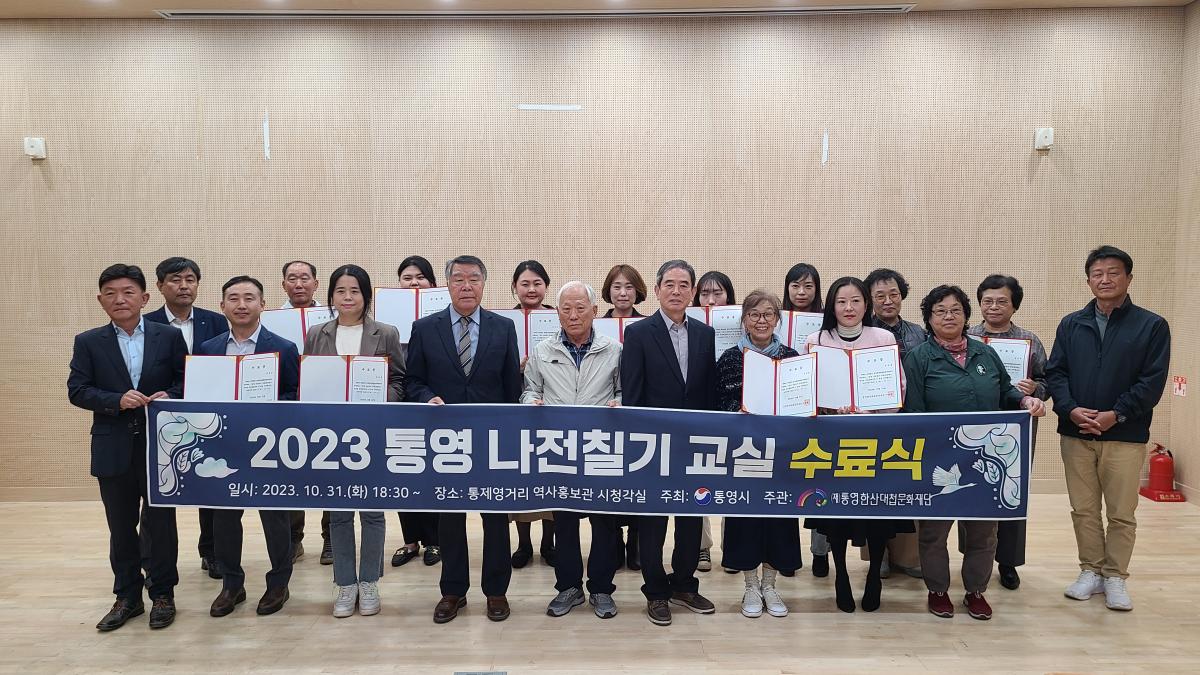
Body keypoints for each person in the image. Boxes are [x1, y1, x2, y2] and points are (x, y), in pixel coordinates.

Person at [904, 285, 1046, 620]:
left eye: (956, 310)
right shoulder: (919, 358)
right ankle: (938, 590)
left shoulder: (985, 353)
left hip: (986, 457)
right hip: (940, 458)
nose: (948, 316)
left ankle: (975, 591)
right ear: (928, 319)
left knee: (984, 531)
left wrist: (1026, 400)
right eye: (940, 311)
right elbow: (914, 412)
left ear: (967, 315)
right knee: (934, 532)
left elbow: (1006, 391)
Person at [1046, 246, 1170, 612]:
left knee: (1121, 513)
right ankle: (1090, 570)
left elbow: (1152, 382)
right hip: (1076, 434)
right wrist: (1070, 410)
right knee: (1083, 509)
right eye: (1097, 274)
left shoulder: (1151, 325)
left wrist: (1116, 414)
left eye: (1113, 272)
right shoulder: (1071, 324)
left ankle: (1115, 576)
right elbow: (1056, 372)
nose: (1105, 279)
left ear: (1129, 278)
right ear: (1088, 281)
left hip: (1125, 436)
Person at [68, 264, 188, 631]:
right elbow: (78, 390)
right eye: (111, 294)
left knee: (161, 524)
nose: (119, 299)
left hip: (160, 446)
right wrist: (115, 400)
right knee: (120, 526)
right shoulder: (88, 341)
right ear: (101, 300)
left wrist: (171, 395)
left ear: (144, 297)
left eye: (128, 292)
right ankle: (127, 597)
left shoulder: (169, 336)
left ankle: (163, 594)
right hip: (112, 446)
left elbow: (186, 381)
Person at [407, 255, 522, 624]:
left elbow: (512, 386)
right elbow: (413, 381)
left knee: (495, 517)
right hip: (446, 441)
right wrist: (427, 398)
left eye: (474, 278)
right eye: (458, 279)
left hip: (492, 439)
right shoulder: (425, 328)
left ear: (484, 284)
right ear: (448, 285)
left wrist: (511, 434)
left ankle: (496, 591)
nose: (466, 285)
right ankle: (453, 591)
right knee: (450, 518)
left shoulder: (503, 328)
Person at [802, 277, 911, 613]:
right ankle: (841, 575)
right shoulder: (816, 340)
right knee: (835, 513)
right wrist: (828, 408)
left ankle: (875, 574)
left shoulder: (883, 338)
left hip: (873, 440)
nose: (848, 308)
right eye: (841, 302)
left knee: (874, 511)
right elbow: (805, 391)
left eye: (855, 301)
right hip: (832, 441)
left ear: (866, 304)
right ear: (831, 306)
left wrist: (872, 410)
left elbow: (898, 387)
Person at [304, 265, 406, 618]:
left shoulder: (386, 333)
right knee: (339, 513)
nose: (348, 297)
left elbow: (399, 381)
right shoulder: (317, 333)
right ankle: (345, 583)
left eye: (355, 291)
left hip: (372, 434)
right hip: (330, 437)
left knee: (373, 512)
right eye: (340, 291)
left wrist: (379, 397)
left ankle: (370, 582)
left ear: (366, 296)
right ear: (331, 295)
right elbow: (309, 381)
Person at [195, 276, 300, 618]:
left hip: (268, 446)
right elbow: (199, 395)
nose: (241, 305)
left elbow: (294, 394)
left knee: (275, 517)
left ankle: (279, 582)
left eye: (249, 298)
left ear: (262, 304)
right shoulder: (208, 349)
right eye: (234, 298)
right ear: (222, 305)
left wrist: (267, 404)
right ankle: (231, 584)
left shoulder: (283, 348)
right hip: (223, 446)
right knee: (224, 518)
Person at [621, 259, 718, 626]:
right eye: (670, 284)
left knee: (692, 517)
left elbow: (707, 392)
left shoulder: (705, 334)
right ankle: (656, 591)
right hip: (653, 445)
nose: (677, 291)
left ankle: (684, 585)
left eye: (684, 285)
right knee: (653, 522)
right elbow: (633, 394)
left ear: (692, 292)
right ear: (658, 289)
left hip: (695, 444)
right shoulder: (639, 333)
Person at [522, 281, 623, 619]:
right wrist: (530, 401)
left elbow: (623, 390)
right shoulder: (542, 350)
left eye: (581, 308)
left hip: (601, 448)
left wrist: (619, 402)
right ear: (557, 312)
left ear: (595, 311)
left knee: (604, 523)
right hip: (559, 449)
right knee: (563, 522)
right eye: (566, 308)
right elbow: (530, 388)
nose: (573, 315)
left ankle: (601, 589)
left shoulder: (614, 350)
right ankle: (568, 588)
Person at [716, 289, 802, 618]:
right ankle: (750, 585)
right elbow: (718, 404)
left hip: (782, 454)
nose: (761, 320)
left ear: (777, 319)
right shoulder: (730, 358)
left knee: (778, 519)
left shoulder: (792, 357)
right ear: (744, 320)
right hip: (745, 453)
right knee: (746, 520)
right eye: (754, 314)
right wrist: (738, 412)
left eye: (768, 314)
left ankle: (770, 585)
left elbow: (802, 402)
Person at [144, 257, 228, 579]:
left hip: (207, 416)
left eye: (190, 279)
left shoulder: (216, 321)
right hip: (161, 417)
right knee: (158, 493)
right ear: (160, 285)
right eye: (175, 279)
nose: (183, 286)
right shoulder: (146, 324)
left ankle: (212, 552)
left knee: (212, 486)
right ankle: (157, 563)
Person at [968, 274, 1051, 591]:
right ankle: (975, 558)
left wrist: (1035, 388)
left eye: (1002, 301)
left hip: (1016, 426)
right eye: (987, 301)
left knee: (1012, 491)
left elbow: (1048, 382)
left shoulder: (1029, 340)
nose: (993, 307)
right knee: (974, 488)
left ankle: (1008, 562)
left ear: (1014, 305)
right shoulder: (968, 336)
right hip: (976, 425)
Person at [861, 267, 925, 579]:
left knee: (906, 487)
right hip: (872, 421)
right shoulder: (863, 332)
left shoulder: (919, 332)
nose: (888, 301)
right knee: (873, 488)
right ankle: (878, 555)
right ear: (869, 300)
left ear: (902, 296)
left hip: (909, 419)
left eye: (894, 294)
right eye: (880, 296)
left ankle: (908, 556)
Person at [389, 255, 442, 569]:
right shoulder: (387, 320)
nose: (414, 283)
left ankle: (435, 539)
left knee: (432, 470)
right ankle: (410, 539)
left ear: (432, 284)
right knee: (403, 469)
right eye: (407, 277)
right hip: (400, 402)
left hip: (432, 401)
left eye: (420, 277)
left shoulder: (441, 319)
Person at [509, 260, 557, 568]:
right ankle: (524, 544)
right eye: (525, 283)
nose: (531, 289)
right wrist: (515, 366)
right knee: (523, 477)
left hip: (552, 405)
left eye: (537, 283)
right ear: (514, 287)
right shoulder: (503, 321)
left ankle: (548, 543)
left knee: (551, 473)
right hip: (518, 407)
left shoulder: (558, 318)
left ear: (546, 287)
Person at [780, 263, 825, 576]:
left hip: (817, 408)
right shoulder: (776, 320)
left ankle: (820, 552)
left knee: (817, 479)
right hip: (784, 405)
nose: (801, 292)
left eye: (808, 286)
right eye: (795, 286)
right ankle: (784, 554)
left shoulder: (826, 324)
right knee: (783, 483)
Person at [601, 264, 646, 569]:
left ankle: (636, 540)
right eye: (617, 286)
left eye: (629, 287)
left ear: (638, 291)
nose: (623, 293)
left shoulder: (648, 325)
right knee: (610, 478)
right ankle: (613, 540)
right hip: (605, 411)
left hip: (636, 410)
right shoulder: (596, 324)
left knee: (637, 478)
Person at [691, 270, 737, 572]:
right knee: (699, 480)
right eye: (704, 294)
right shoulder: (690, 324)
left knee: (734, 479)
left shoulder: (741, 323)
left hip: (731, 410)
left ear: (729, 296)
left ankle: (732, 548)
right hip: (699, 407)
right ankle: (702, 547)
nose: (710, 300)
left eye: (717, 293)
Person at [279, 260, 320, 562]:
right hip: (288, 404)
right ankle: (294, 538)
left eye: (305, 278)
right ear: (284, 285)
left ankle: (330, 537)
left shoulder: (331, 317)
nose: (298, 284)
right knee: (290, 472)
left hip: (324, 401)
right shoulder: (271, 320)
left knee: (332, 469)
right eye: (292, 279)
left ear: (316, 283)